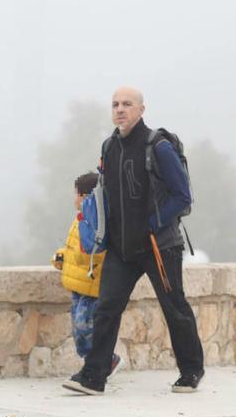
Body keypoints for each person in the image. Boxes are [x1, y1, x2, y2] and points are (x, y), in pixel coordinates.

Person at [62, 86, 204, 395]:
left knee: (174, 307)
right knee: (106, 309)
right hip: (120, 248)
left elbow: (182, 197)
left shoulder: (159, 147)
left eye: (127, 104)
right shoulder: (109, 147)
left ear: (141, 109)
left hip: (159, 246)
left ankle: (191, 371)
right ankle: (93, 376)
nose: (120, 110)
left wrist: (152, 225)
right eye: (115, 105)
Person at [53, 172, 122, 374]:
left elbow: (92, 253)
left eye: (76, 194)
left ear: (85, 196)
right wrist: (61, 257)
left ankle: (104, 361)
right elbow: (72, 248)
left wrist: (77, 258)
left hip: (92, 286)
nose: (74, 199)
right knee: (78, 329)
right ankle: (94, 364)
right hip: (77, 284)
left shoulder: (99, 223)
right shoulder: (80, 220)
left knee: (85, 326)